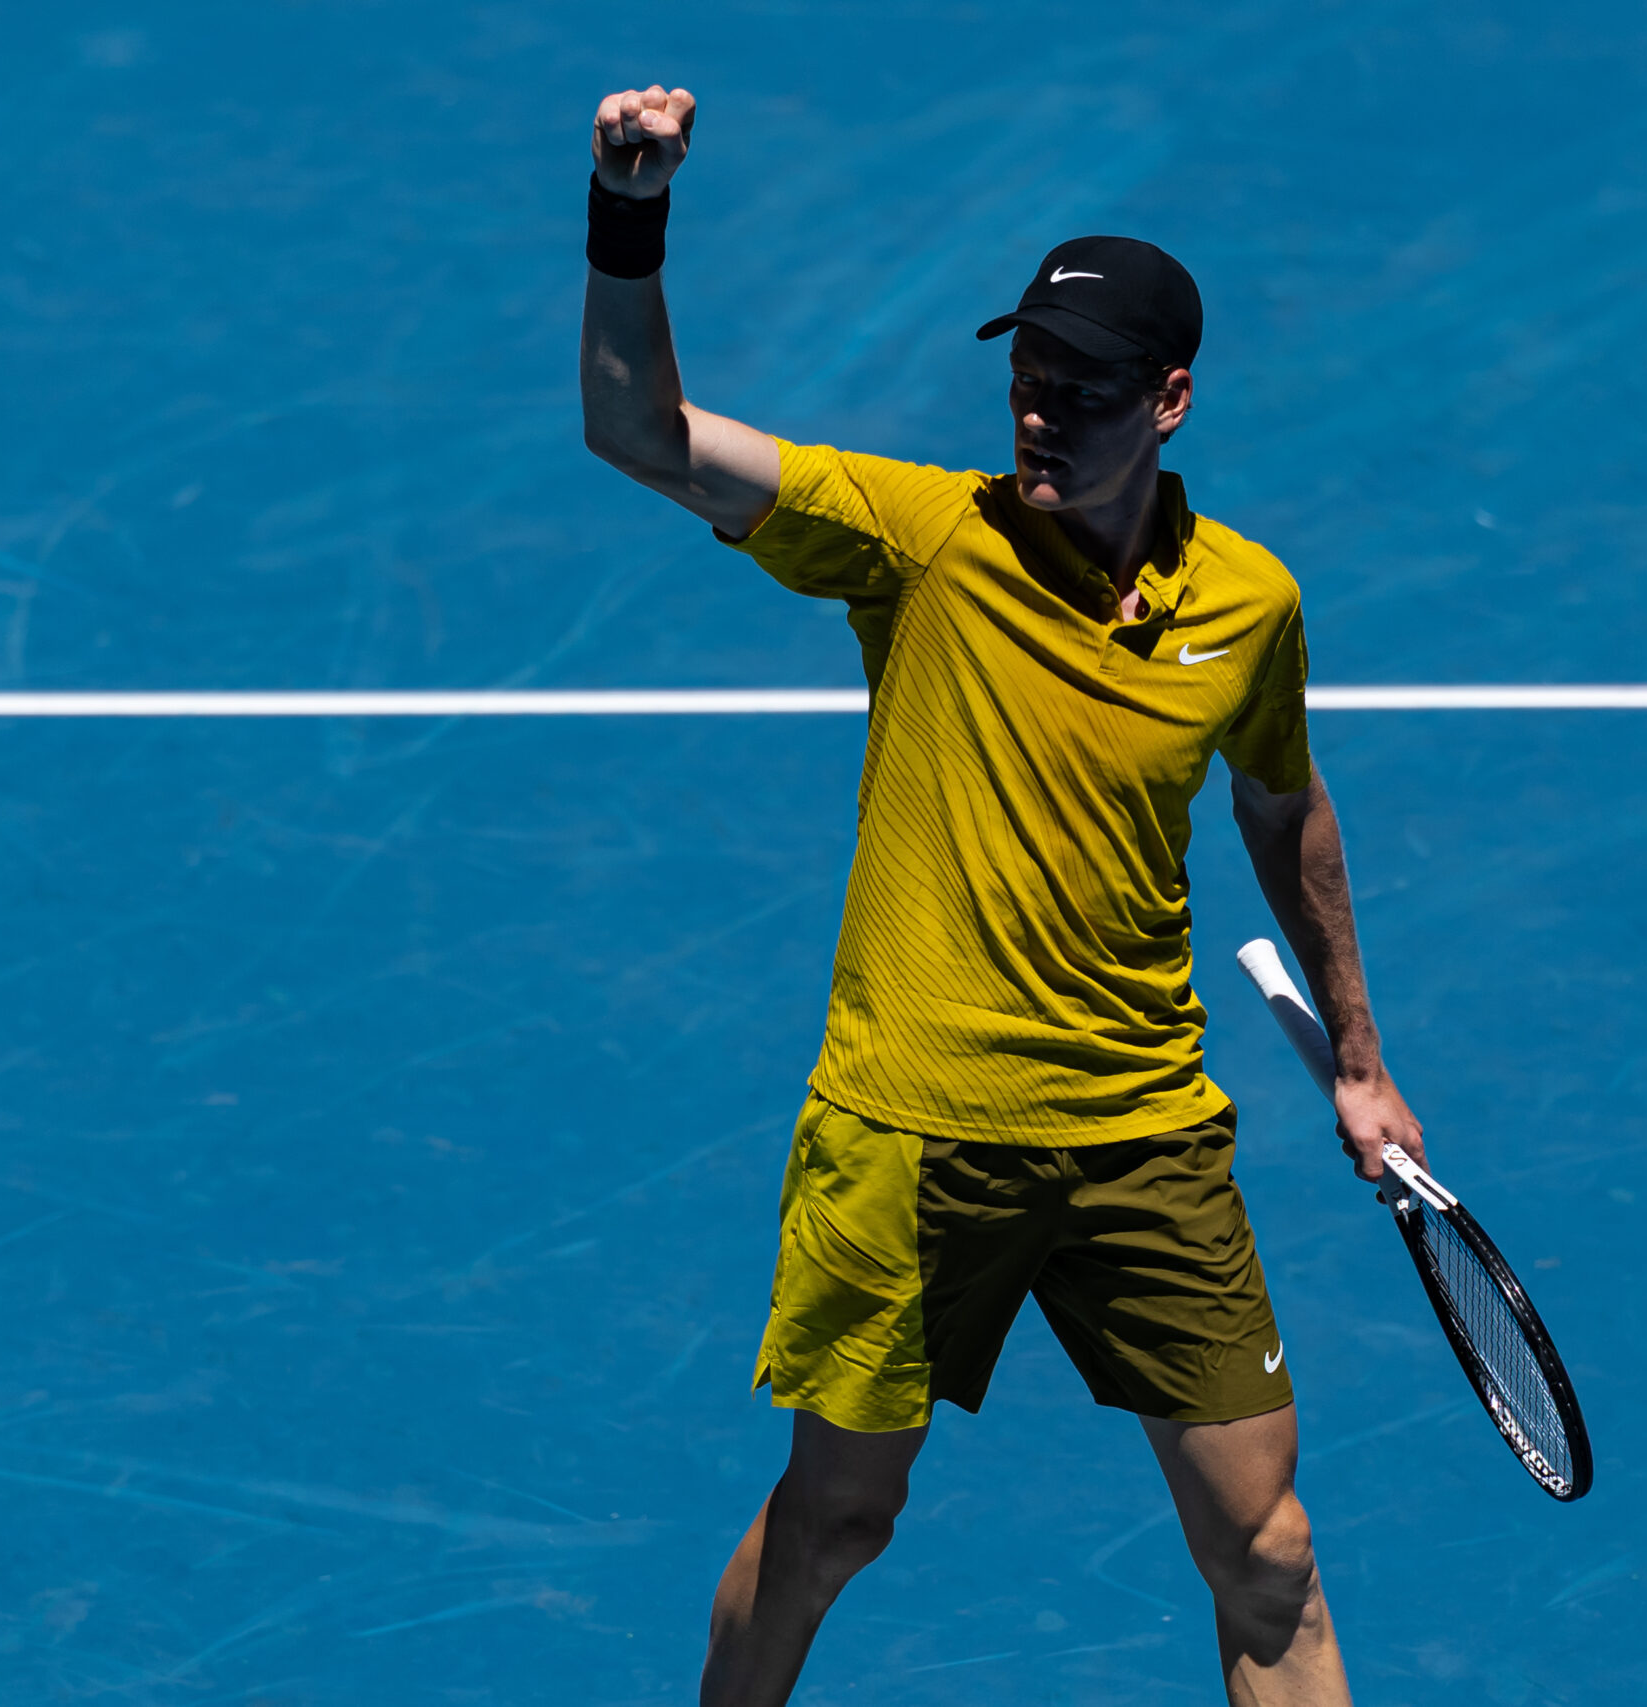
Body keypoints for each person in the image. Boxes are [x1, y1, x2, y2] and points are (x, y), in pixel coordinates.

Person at [577, 84, 1426, 1707]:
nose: (1042, 413)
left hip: (1144, 1135)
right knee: (837, 1520)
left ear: (1169, 400)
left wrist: (1361, 1058)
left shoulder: (1248, 608)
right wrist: (631, 213)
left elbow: (1281, 801)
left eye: (1087, 391)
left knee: (1271, 1559)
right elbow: (641, 434)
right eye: (1031, 376)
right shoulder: (916, 541)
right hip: (914, 1134)